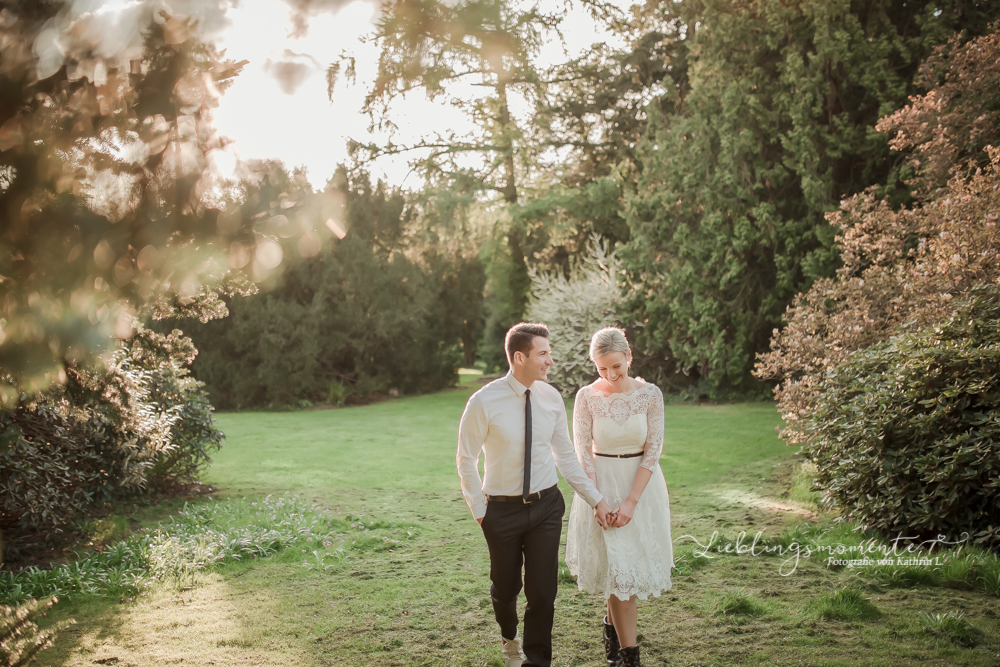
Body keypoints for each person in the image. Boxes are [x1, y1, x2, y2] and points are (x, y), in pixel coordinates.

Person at [457, 322, 615, 667]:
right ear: (519, 357)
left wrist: (597, 500)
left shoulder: (552, 398)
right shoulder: (483, 402)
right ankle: (508, 636)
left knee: (543, 592)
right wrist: (480, 512)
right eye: (543, 354)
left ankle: (537, 660)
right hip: (500, 512)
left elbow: (566, 458)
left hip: (546, 507)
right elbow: (465, 459)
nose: (550, 361)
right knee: (506, 587)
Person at [565, 327, 673, 667]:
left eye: (616, 367)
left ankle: (611, 625)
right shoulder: (586, 397)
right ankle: (631, 658)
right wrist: (598, 500)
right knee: (618, 573)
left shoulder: (650, 395)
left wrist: (630, 502)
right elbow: (582, 452)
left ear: (629, 357)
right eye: (602, 369)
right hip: (600, 488)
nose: (610, 375)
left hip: (640, 487)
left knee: (626, 571)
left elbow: (653, 451)